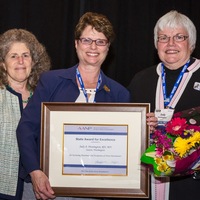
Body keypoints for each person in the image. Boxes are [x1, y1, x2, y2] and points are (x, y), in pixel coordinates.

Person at [16, 12, 130, 200]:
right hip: (46, 188)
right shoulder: (51, 81)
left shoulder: (119, 94)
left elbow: (123, 149)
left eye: (100, 41)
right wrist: (35, 172)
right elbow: (26, 128)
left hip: (93, 192)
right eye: (87, 40)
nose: (93, 47)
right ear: (76, 43)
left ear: (108, 47)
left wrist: (143, 127)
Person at [128, 10, 200, 200]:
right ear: (156, 44)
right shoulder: (140, 80)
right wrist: (140, 125)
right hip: (146, 184)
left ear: (191, 43)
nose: (170, 44)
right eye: (163, 38)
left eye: (179, 37)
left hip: (191, 187)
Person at [0, 29, 51, 200]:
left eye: (26, 55)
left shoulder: (44, 96)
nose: (20, 61)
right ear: (2, 63)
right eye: (13, 56)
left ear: (34, 61)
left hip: (37, 188)